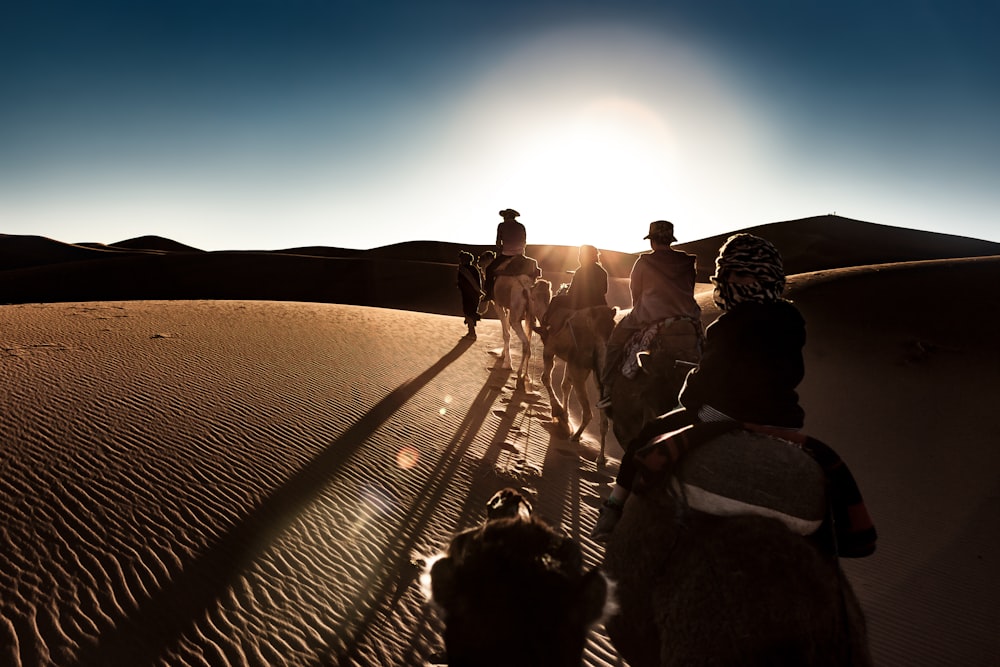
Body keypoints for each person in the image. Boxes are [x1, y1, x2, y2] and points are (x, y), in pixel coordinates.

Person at [591, 233, 807, 541]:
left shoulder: (727, 324)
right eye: (727, 275)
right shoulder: (793, 320)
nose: (730, 282)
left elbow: (702, 386)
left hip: (720, 415)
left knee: (646, 433)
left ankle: (613, 507)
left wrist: (689, 391)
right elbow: (791, 373)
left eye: (738, 274)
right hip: (784, 421)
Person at [596, 220, 699, 408]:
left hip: (651, 315)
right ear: (670, 240)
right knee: (704, 345)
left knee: (615, 342)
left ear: (652, 241)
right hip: (688, 317)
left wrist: (639, 311)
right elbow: (689, 288)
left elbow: (636, 292)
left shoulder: (644, 262)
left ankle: (608, 389)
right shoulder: (687, 262)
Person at [538, 244, 608, 338]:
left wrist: (569, 291)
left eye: (580, 255)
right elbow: (604, 290)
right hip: (600, 303)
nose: (579, 257)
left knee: (556, 300)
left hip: (582, 304)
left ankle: (545, 326)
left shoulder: (581, 271)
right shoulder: (603, 271)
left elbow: (572, 291)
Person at [483, 208, 527, 300]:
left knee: (489, 269)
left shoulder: (501, 225)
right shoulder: (521, 226)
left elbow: (498, 243)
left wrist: (502, 246)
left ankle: (489, 294)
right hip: (520, 255)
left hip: (507, 254)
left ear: (506, 217)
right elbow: (524, 242)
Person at [457, 250, 484, 339]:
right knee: (470, 312)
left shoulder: (464, 269)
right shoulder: (474, 269)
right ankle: (471, 332)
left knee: (469, 312)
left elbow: (469, 282)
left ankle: (472, 333)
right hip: (474, 295)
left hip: (469, 295)